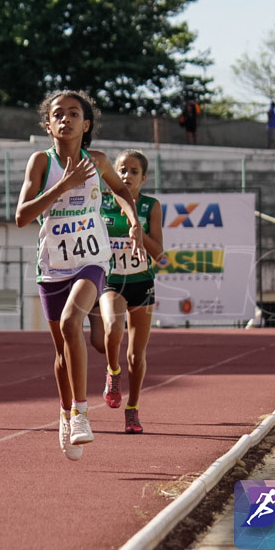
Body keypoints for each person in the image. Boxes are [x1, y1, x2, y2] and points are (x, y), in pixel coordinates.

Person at [15, 90, 146, 460]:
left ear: (85, 124)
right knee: (61, 353)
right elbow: (22, 217)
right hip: (53, 265)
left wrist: (134, 222)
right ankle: (65, 410)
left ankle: (82, 413)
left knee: (74, 323)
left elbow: (121, 191)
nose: (66, 119)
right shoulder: (40, 162)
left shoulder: (99, 161)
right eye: (59, 114)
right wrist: (62, 186)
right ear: (48, 124)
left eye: (74, 114)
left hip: (93, 260)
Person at [95, 149, 164, 434]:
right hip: (112, 280)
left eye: (134, 172)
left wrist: (140, 233)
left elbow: (159, 254)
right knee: (112, 327)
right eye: (122, 170)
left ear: (143, 178)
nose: (127, 176)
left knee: (136, 355)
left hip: (142, 282)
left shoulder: (151, 206)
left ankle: (132, 409)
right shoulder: (102, 203)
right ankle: (113, 372)